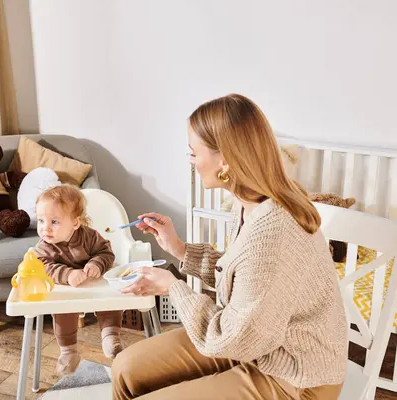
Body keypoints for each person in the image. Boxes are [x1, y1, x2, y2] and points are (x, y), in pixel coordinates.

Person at [111, 94, 348, 399]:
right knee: (125, 368)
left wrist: (173, 287)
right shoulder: (251, 203)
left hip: (296, 375)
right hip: (258, 342)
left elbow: (231, 338)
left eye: (194, 153)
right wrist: (180, 249)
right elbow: (247, 280)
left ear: (224, 159)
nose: (191, 161)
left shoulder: (273, 232)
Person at [33, 184, 123, 375]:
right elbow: (43, 267)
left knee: (110, 298)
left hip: (94, 285)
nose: (45, 228)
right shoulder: (44, 247)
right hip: (66, 291)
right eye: (41, 221)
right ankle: (68, 352)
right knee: (62, 310)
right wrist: (67, 274)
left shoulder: (89, 237)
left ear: (76, 223)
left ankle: (110, 334)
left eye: (54, 222)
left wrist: (97, 264)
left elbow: (106, 252)